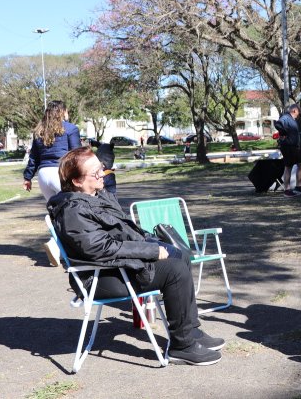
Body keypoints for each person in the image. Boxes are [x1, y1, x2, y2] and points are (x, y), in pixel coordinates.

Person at [47, 147, 224, 366]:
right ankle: (181, 347)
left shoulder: (96, 197)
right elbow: (102, 249)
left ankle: (190, 330)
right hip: (100, 278)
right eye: (95, 173)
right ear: (76, 181)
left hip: (119, 266)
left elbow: (125, 232)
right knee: (175, 271)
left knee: (181, 255)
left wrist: (154, 243)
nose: (102, 174)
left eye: (101, 168)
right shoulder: (73, 210)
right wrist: (151, 251)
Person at [23, 100, 81, 201]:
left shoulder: (39, 131)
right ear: (62, 112)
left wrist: (27, 178)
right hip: (60, 173)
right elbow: (77, 154)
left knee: (54, 211)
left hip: (43, 175)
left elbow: (33, 158)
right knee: (70, 210)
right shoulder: (71, 129)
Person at [274, 104, 301, 198]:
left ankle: (298, 187)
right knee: (288, 167)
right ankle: (287, 190)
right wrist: (284, 133)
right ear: (294, 110)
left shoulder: (292, 119)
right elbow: (278, 124)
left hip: (295, 147)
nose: (298, 115)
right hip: (288, 146)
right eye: (298, 113)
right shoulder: (286, 117)